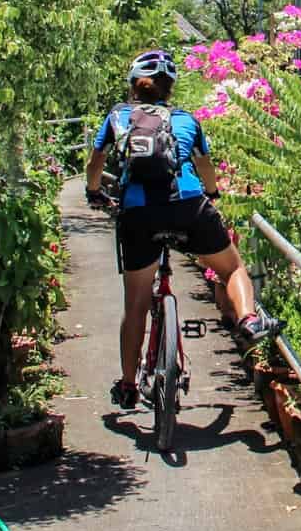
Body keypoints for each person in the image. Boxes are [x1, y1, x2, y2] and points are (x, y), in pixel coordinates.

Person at [85, 49, 280, 410]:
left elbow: (95, 162)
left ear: (133, 86)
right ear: (170, 89)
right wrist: (212, 193)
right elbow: (206, 168)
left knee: (136, 305)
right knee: (233, 268)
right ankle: (250, 320)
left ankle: (128, 385)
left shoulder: (118, 116)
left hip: (138, 213)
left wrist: (94, 192)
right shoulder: (187, 120)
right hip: (188, 206)